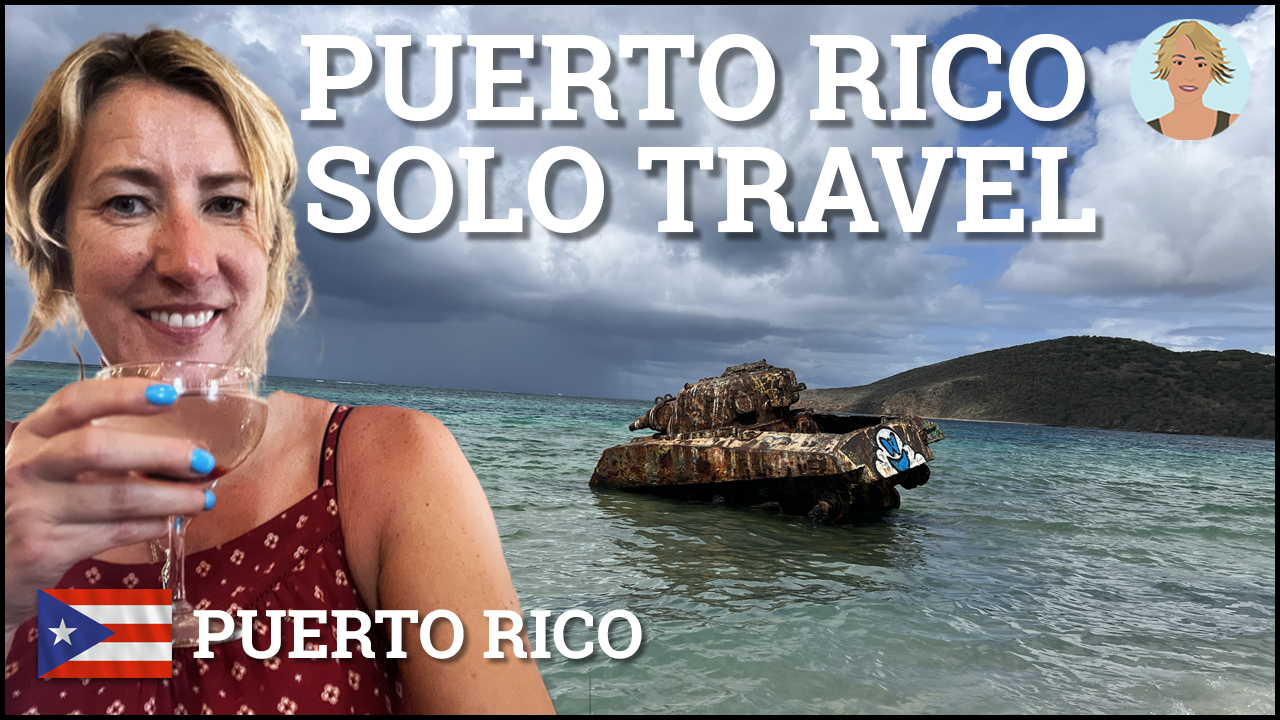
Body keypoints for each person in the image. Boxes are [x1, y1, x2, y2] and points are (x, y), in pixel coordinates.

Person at [3, 30, 554, 714]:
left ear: (268, 247)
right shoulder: (10, 484)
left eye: (227, 204)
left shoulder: (383, 472)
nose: (189, 262)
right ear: (58, 248)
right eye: (128, 203)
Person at [1147, 20, 1238, 140]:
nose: (1189, 76)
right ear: (1165, 71)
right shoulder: (1146, 130)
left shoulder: (1235, 124)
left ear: (1211, 74)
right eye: (1179, 63)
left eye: (1200, 65)